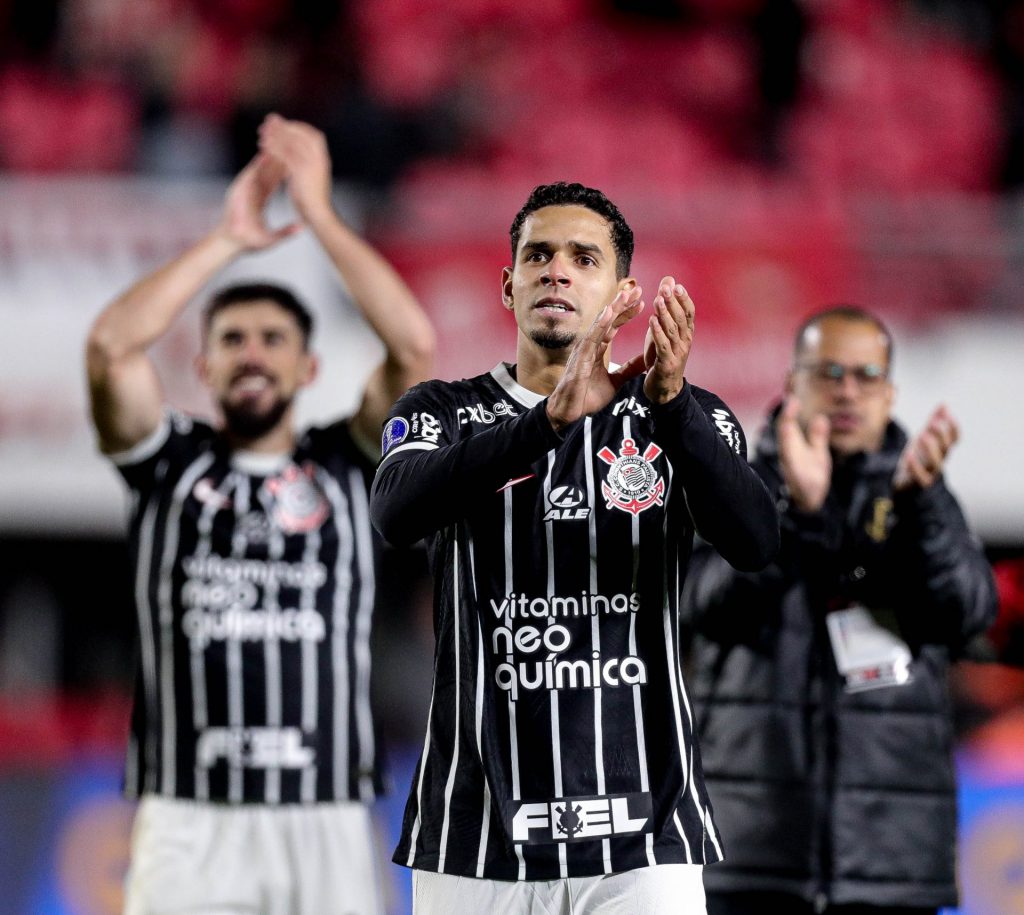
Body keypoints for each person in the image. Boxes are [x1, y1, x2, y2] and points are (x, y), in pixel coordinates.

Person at [369, 182, 779, 913]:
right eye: (538, 255)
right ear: (508, 284)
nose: (556, 270)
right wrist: (545, 424)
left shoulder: (683, 418)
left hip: (644, 836)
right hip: (474, 835)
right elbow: (396, 514)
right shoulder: (440, 411)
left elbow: (754, 540)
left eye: (583, 258)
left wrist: (674, 405)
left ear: (621, 289)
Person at [86, 114, 435, 915]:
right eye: (234, 338)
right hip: (188, 811)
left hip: (326, 808)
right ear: (203, 363)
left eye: (274, 338)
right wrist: (229, 240)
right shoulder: (167, 461)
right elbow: (110, 350)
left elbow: (413, 350)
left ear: (309, 366)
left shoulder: (346, 462)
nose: (253, 352)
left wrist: (317, 214)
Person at [681, 306, 998, 915]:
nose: (847, 390)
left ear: (890, 392)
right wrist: (796, 516)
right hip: (749, 857)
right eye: (828, 372)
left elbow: (967, 615)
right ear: (793, 382)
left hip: (888, 865)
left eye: (865, 375)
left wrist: (920, 510)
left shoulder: (921, 495)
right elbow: (705, 609)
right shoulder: (735, 484)